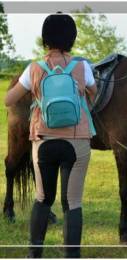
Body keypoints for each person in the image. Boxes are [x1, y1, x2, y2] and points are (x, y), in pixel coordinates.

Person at [5, 13, 97, 258]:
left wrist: (37, 93)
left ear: (45, 39)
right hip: (77, 142)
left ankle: (34, 254)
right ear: (72, 38)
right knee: (73, 203)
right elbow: (93, 97)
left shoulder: (34, 68)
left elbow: (8, 100)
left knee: (43, 198)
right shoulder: (82, 66)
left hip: (44, 141)